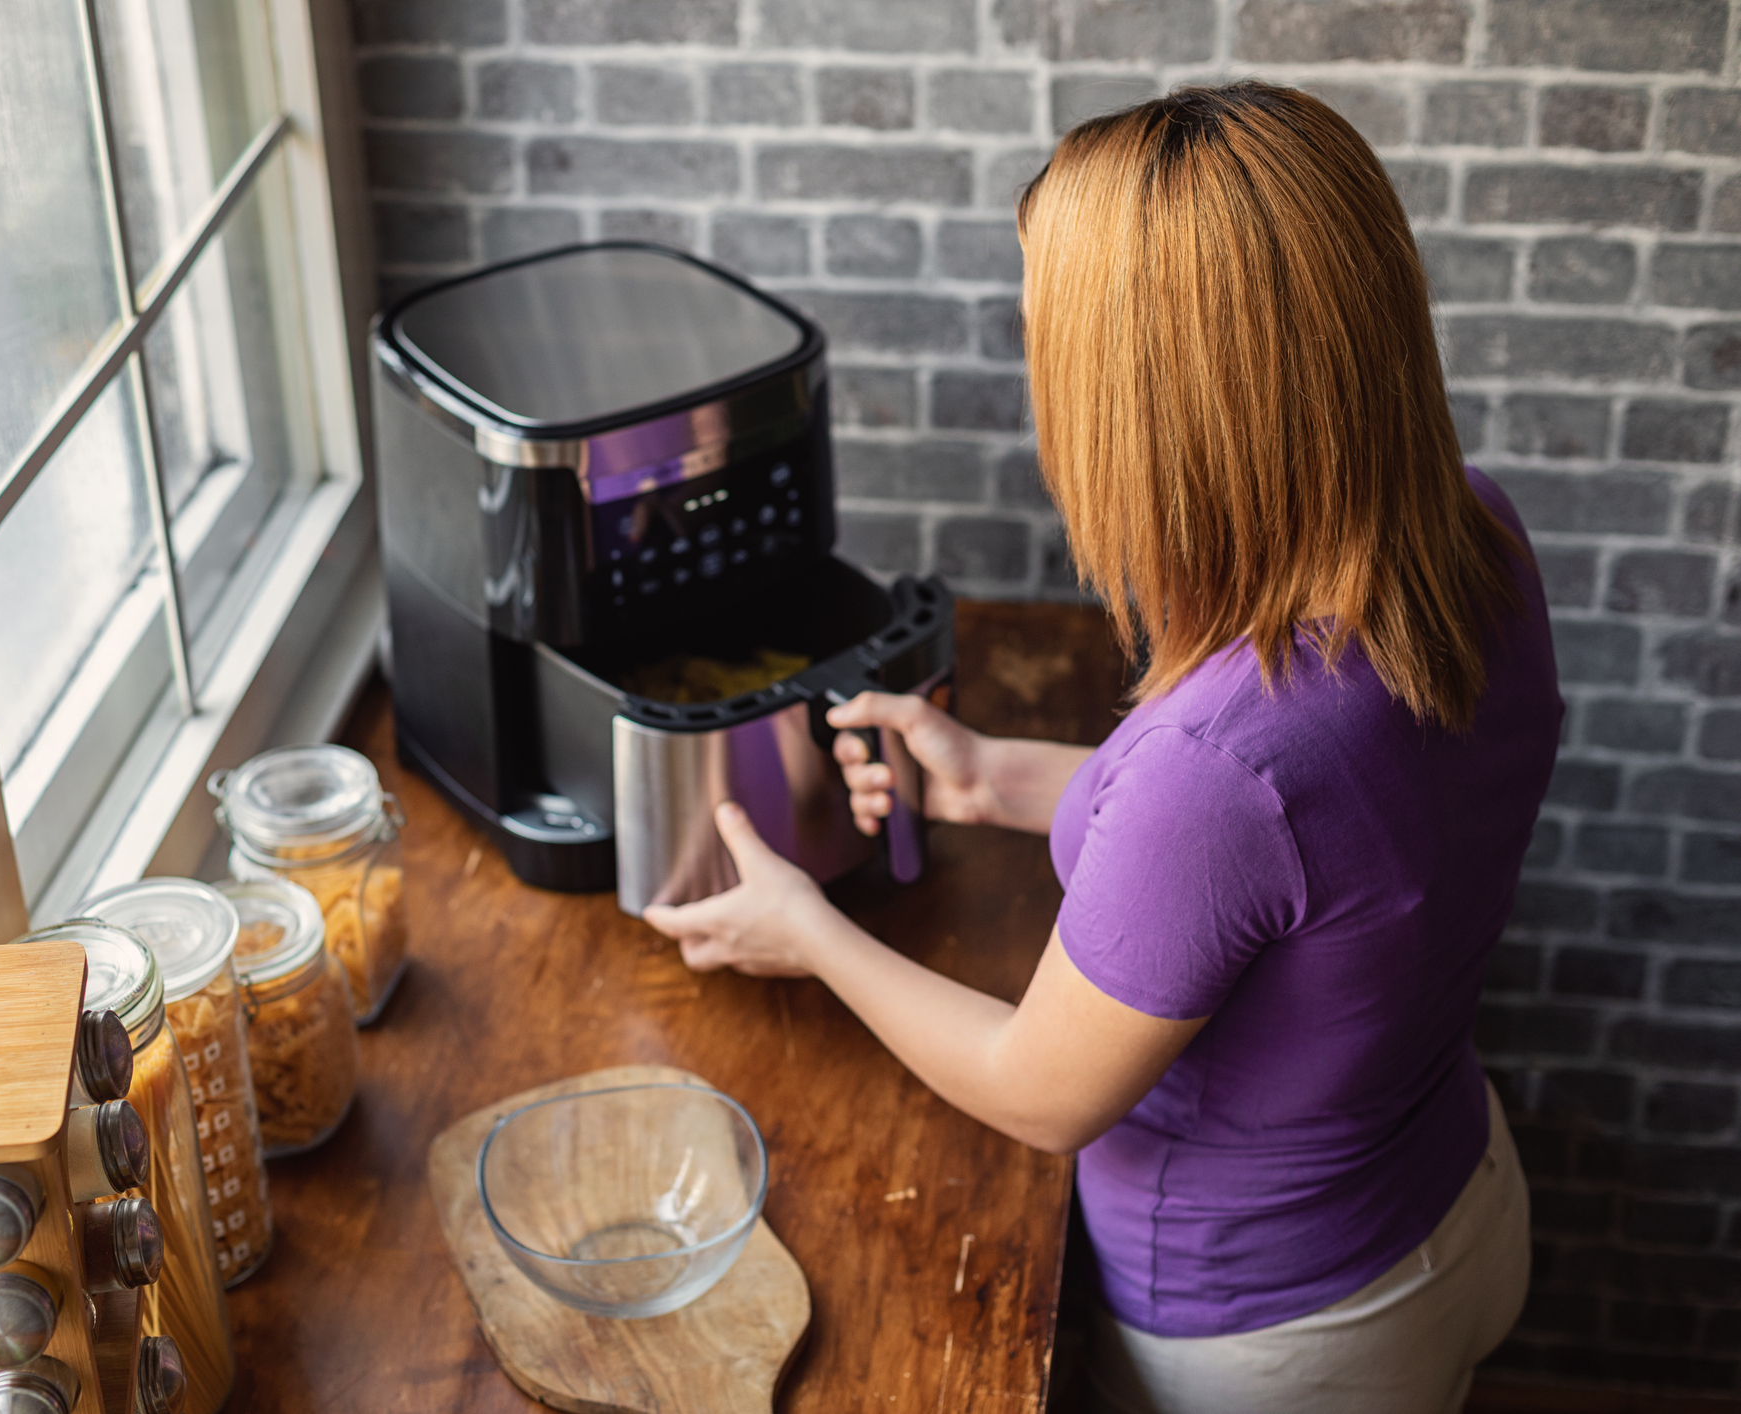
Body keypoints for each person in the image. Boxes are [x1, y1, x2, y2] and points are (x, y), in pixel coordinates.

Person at [642, 81, 1563, 1414]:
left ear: (1160, 404)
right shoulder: (1475, 541)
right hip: (1461, 1200)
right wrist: (990, 775)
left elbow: (1039, 1090)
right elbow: (1310, 861)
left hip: (1283, 1336)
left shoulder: (1221, 765)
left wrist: (811, 932)